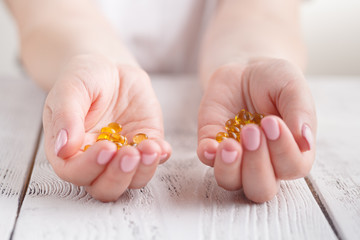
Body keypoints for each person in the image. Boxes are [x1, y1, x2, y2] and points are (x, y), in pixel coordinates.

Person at [6, 0, 316, 203]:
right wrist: (96, 59)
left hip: (221, 85)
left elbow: (263, 10)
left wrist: (250, 60)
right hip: (90, 99)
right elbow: (49, 14)